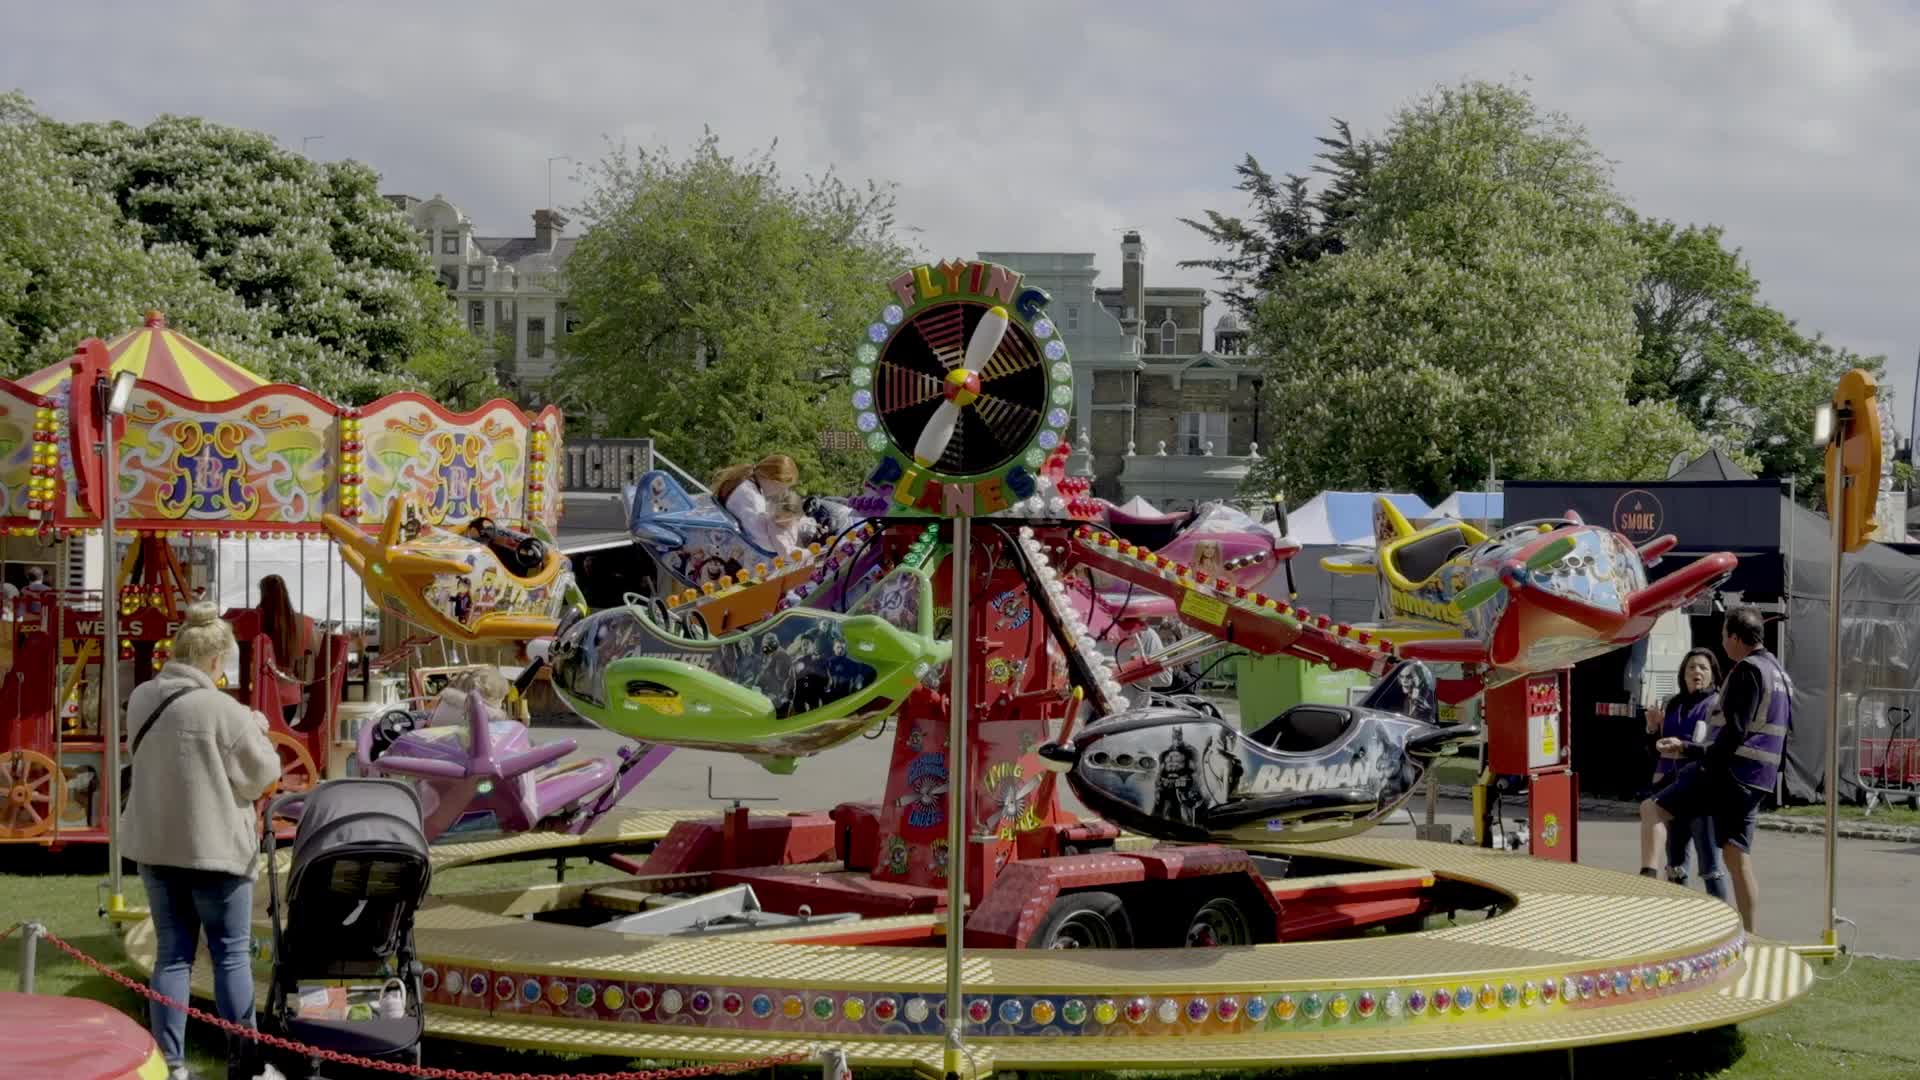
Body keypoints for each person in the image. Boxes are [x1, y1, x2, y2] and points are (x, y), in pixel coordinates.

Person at [122, 602, 286, 1080]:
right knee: (229, 954)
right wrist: (256, 728)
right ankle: (246, 1063)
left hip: (157, 846)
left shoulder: (142, 699)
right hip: (215, 851)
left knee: (172, 954)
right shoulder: (224, 709)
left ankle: (170, 1063)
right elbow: (264, 775)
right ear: (216, 661)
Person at [1639, 608, 1792, 932]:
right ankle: (1751, 937)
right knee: (1736, 858)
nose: (1722, 643)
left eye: (1724, 636)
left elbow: (1734, 733)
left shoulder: (1746, 670)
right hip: (1759, 780)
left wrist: (1689, 749)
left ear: (1736, 637)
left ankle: (1648, 882)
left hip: (1728, 772)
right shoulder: (1778, 672)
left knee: (1651, 809)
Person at [1643, 648, 1730, 902]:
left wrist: (1683, 746)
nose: (1696, 672)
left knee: (1710, 868)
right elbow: (1654, 751)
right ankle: (1681, 920)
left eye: (1703, 667)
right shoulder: (1673, 704)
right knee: (1676, 865)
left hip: (1700, 793)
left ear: (1713, 674)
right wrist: (1652, 728)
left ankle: (1723, 922)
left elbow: (1713, 750)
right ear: (1683, 673)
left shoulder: (1716, 704)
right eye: (1691, 667)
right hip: (1669, 790)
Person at [712, 454, 822, 557]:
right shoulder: (752, 498)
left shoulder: (746, 479)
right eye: (782, 488)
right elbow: (768, 546)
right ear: (774, 481)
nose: (780, 492)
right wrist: (789, 528)